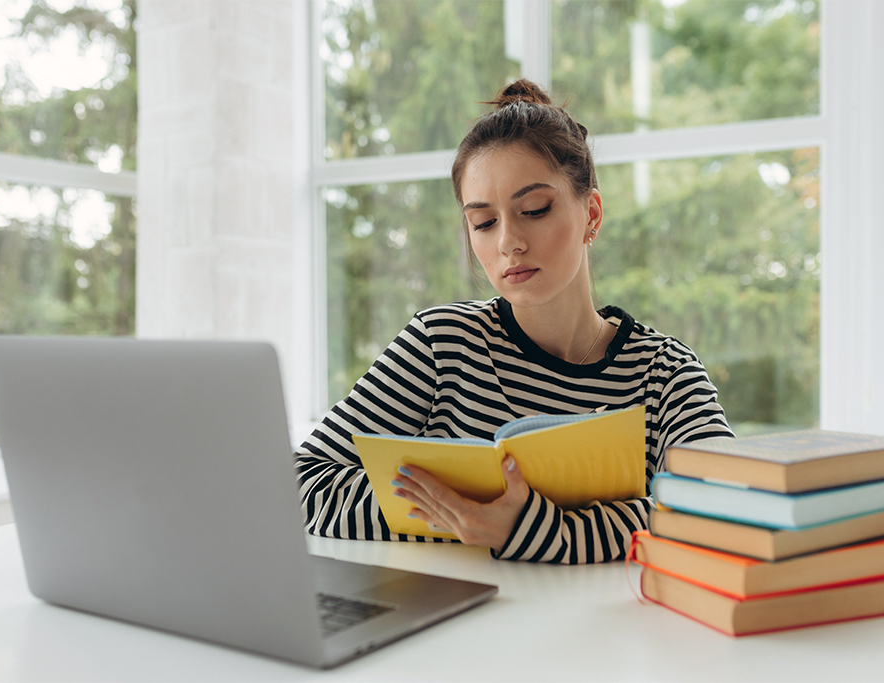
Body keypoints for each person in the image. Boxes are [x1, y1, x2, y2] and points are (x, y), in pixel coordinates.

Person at [295, 79, 732, 564]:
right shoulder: (441, 344)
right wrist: (460, 517)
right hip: (455, 628)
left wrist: (540, 531)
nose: (508, 242)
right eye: (483, 222)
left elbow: (722, 509)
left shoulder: (665, 374)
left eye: (534, 210)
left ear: (592, 213)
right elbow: (299, 481)